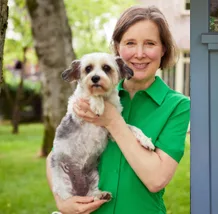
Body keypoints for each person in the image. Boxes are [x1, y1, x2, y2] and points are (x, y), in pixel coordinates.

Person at [46, 5, 190, 214]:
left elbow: (156, 179)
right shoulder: (89, 96)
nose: (139, 54)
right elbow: (56, 155)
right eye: (130, 43)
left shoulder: (178, 106)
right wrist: (62, 201)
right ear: (117, 48)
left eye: (150, 43)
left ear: (163, 49)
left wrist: (112, 120)